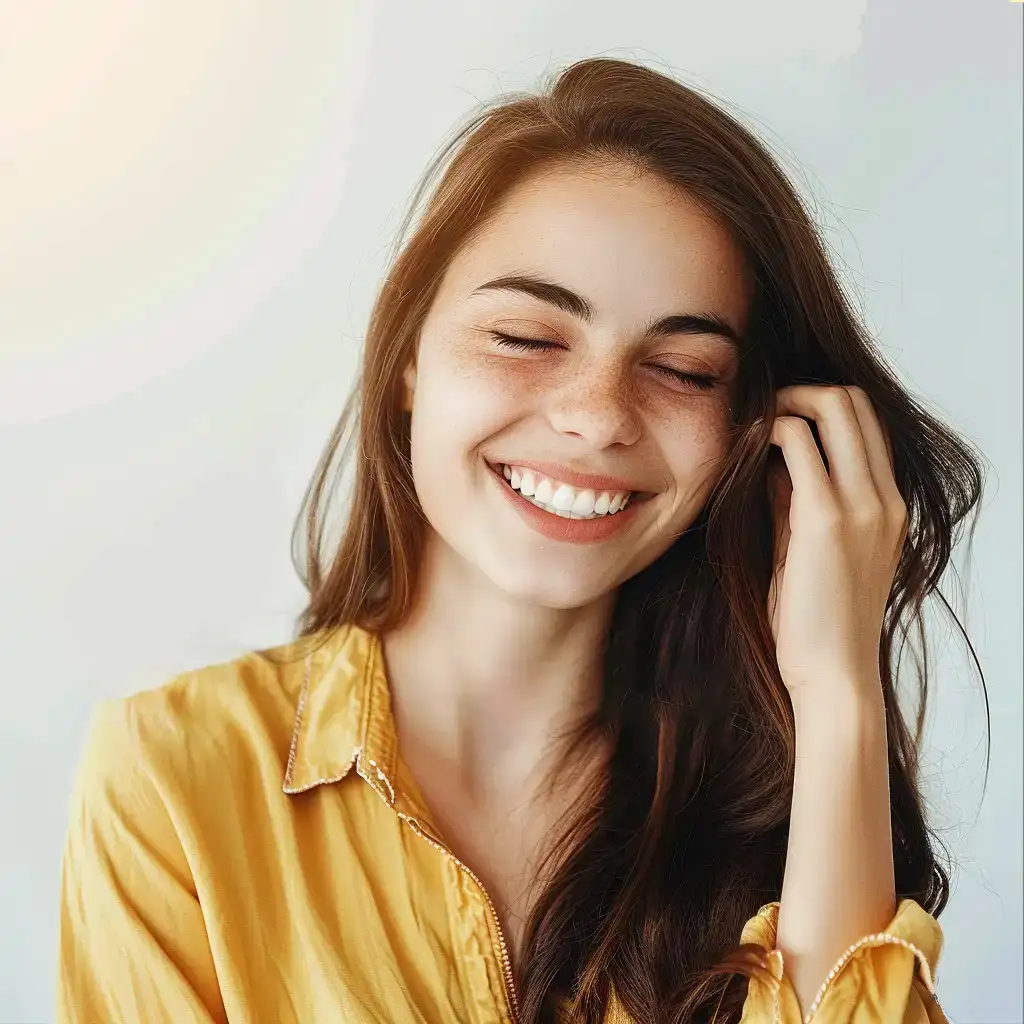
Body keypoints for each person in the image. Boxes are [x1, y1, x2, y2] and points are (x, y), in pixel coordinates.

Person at [55, 57, 985, 1024]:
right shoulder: (172, 770)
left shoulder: (785, 808)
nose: (598, 416)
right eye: (527, 338)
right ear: (408, 358)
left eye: (683, 369)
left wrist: (837, 697)